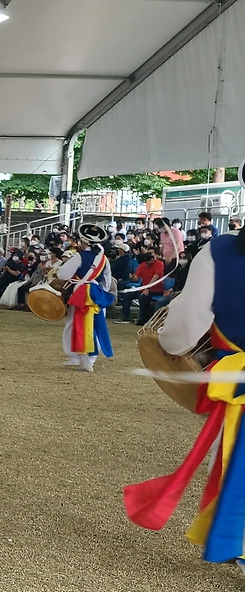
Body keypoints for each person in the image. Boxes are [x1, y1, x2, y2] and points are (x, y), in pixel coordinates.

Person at [122, 222, 245, 571]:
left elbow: (187, 321)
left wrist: (171, 345)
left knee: (237, 461)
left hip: (238, 376)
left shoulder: (220, 252)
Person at [56, 232, 115, 372]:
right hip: (97, 293)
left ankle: (76, 357)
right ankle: (91, 358)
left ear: (83, 242)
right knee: (96, 325)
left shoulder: (79, 257)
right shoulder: (104, 259)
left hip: (81, 294)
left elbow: (62, 274)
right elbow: (107, 281)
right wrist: (99, 293)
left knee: (75, 325)